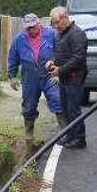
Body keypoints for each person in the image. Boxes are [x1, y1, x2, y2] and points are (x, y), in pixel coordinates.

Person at [7, 13, 65, 149]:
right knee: (29, 106)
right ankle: (29, 136)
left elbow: (61, 51)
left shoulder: (52, 34)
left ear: (38, 23)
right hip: (29, 77)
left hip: (49, 75)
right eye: (28, 28)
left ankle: (64, 132)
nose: (30, 30)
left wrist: (58, 67)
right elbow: (13, 58)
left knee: (57, 99)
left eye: (32, 27)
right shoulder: (19, 39)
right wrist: (12, 76)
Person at [46, 6, 88, 149]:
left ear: (65, 18)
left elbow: (79, 58)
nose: (55, 26)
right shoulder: (62, 33)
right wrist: (54, 62)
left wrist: (60, 70)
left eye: (57, 22)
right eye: (53, 23)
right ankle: (70, 136)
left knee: (73, 109)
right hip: (65, 77)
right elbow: (63, 55)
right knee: (65, 109)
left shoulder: (77, 34)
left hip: (74, 78)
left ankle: (79, 139)